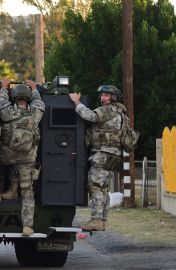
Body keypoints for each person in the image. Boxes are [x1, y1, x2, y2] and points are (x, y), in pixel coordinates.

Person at [0, 78, 45, 236]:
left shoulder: (8, 112)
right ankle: (28, 226)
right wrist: (34, 88)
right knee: (27, 192)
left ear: (14, 97)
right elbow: (38, 101)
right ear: (28, 98)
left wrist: (4, 87)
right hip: (27, 158)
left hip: (7, 155)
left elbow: (0, 101)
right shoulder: (35, 112)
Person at [68, 85, 125, 231]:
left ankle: (96, 220)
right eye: (102, 95)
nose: (102, 98)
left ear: (113, 97)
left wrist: (76, 102)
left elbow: (90, 116)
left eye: (106, 95)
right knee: (103, 188)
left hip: (103, 154)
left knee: (94, 186)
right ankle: (102, 220)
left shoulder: (108, 110)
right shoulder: (119, 111)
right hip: (111, 155)